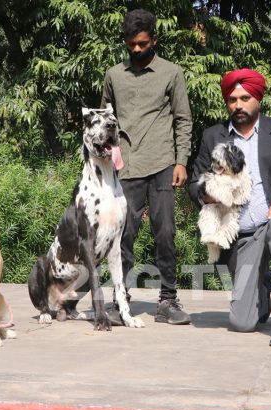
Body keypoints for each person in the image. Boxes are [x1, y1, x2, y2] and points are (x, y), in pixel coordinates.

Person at [188, 69, 271, 346]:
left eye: (245, 98)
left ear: (258, 98)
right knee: (242, 323)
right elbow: (195, 183)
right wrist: (207, 195)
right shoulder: (213, 136)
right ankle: (261, 290)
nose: (238, 105)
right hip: (241, 236)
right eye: (232, 99)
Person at [101, 9, 193, 325]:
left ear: (154, 38)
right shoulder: (114, 75)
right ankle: (119, 299)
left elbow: (183, 119)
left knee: (165, 232)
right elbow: (106, 122)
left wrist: (181, 161)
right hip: (125, 167)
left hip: (163, 164)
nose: (137, 49)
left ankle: (168, 299)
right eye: (131, 44)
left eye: (142, 43)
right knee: (123, 235)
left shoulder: (172, 73)